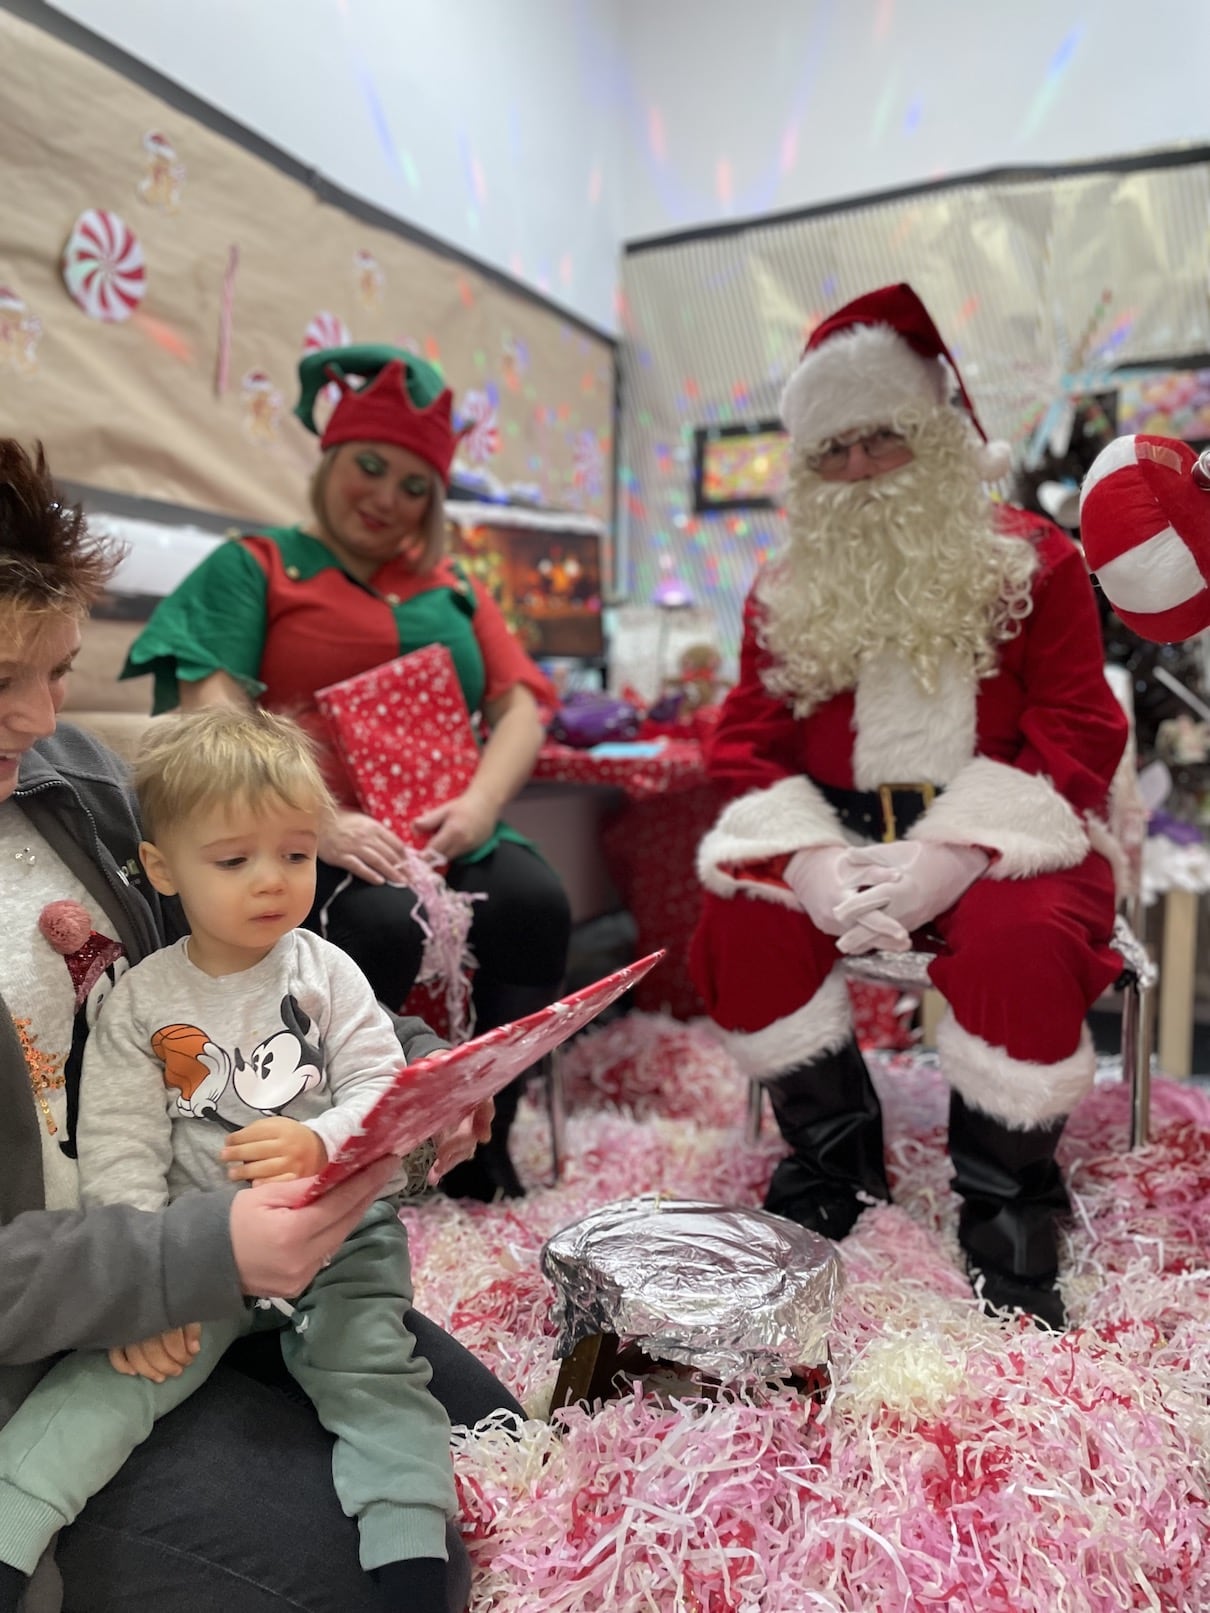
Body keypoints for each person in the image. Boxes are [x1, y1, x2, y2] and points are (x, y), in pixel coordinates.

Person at [0, 439, 522, 1613]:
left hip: (230, 1245)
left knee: (488, 1447)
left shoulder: (71, 777)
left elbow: (247, 976)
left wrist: (417, 1085)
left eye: (60, 668)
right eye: (1, 681)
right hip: (72, 1315)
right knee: (362, 1570)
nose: (44, 714)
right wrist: (180, 1261)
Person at [690, 284, 1129, 1330]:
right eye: (830, 452)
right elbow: (746, 735)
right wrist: (802, 861)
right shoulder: (783, 587)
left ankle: (1007, 1197)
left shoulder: (1037, 560)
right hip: (835, 828)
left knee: (1021, 942)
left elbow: (1076, 724)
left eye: (881, 440)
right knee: (738, 922)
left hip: (1010, 828)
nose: (856, 473)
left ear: (937, 432)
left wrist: (954, 853)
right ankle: (834, 1157)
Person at [122, 344, 572, 1201]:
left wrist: (480, 805)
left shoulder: (455, 589)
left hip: (449, 824)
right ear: (330, 461)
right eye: (371, 467)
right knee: (382, 926)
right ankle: (353, 1154)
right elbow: (208, 703)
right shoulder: (256, 565)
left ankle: (486, 1132)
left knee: (539, 905)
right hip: (301, 833)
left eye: (415, 486)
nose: (388, 498)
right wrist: (312, 821)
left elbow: (522, 705)